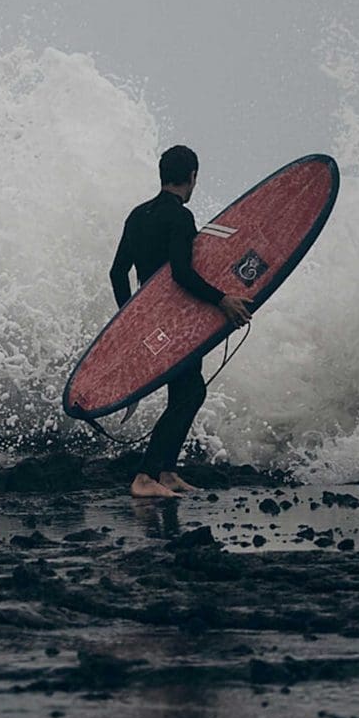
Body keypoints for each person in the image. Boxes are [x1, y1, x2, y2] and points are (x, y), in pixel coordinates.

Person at [109, 145, 251, 499]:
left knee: (184, 389)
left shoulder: (137, 215)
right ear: (192, 176)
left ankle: (167, 472)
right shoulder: (180, 217)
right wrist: (222, 299)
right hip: (177, 319)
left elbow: (117, 272)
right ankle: (145, 476)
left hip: (151, 319)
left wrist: (131, 316)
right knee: (192, 391)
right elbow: (181, 273)